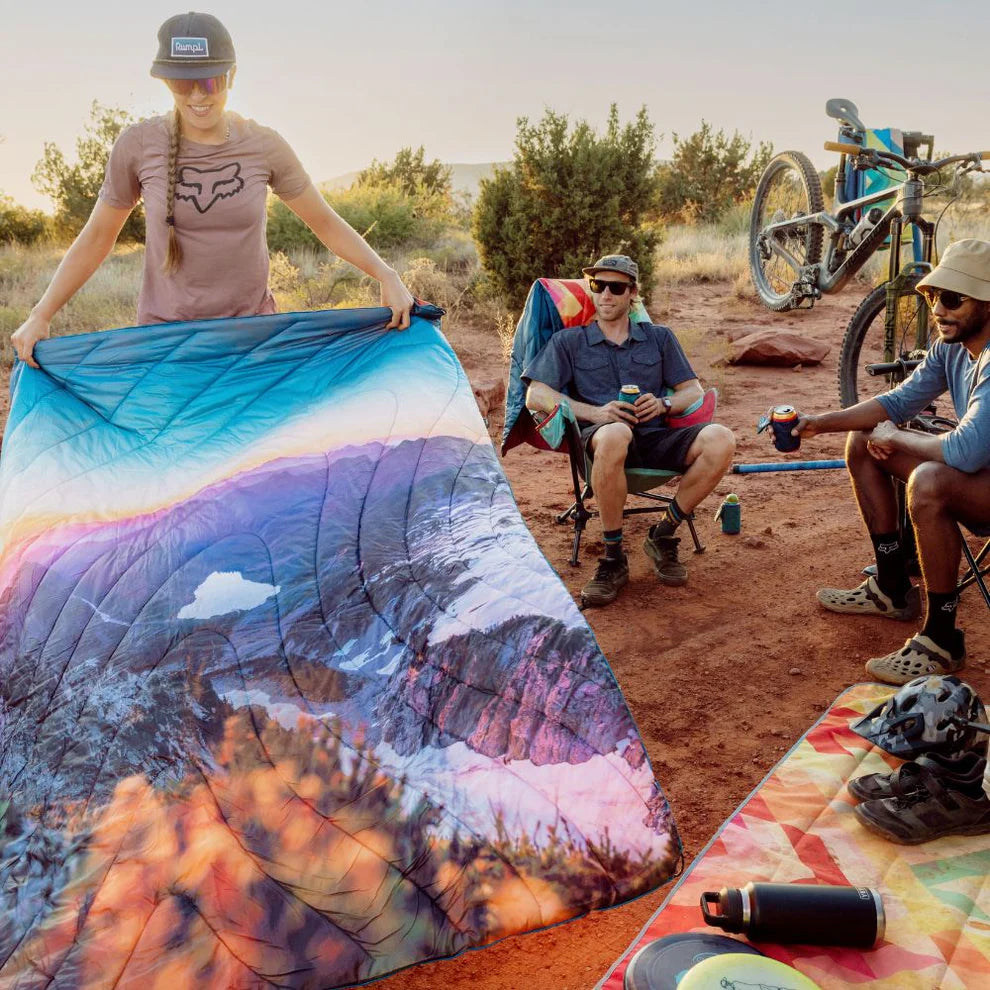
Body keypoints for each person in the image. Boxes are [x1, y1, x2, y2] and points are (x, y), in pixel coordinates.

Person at [11, 11, 414, 368]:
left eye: (209, 79)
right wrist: (41, 313)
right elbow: (98, 237)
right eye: (181, 83)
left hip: (253, 343)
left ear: (232, 76)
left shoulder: (264, 144)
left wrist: (386, 273)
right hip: (166, 346)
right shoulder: (137, 145)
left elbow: (323, 222)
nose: (198, 95)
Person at [795, 238, 990, 684]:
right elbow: (899, 401)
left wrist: (898, 436)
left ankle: (941, 638)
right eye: (935, 296)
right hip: (981, 474)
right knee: (863, 441)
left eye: (953, 299)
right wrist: (819, 423)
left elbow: (966, 450)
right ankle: (891, 586)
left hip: (981, 474)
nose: (938, 309)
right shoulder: (952, 347)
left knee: (928, 481)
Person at [522, 254, 735, 607]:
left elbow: (692, 392)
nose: (605, 294)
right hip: (601, 441)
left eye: (615, 287)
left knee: (722, 438)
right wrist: (596, 412)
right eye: (598, 286)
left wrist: (664, 405)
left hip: (655, 436)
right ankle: (613, 558)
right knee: (615, 433)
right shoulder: (569, 342)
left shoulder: (659, 338)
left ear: (632, 293)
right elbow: (536, 394)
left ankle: (663, 534)